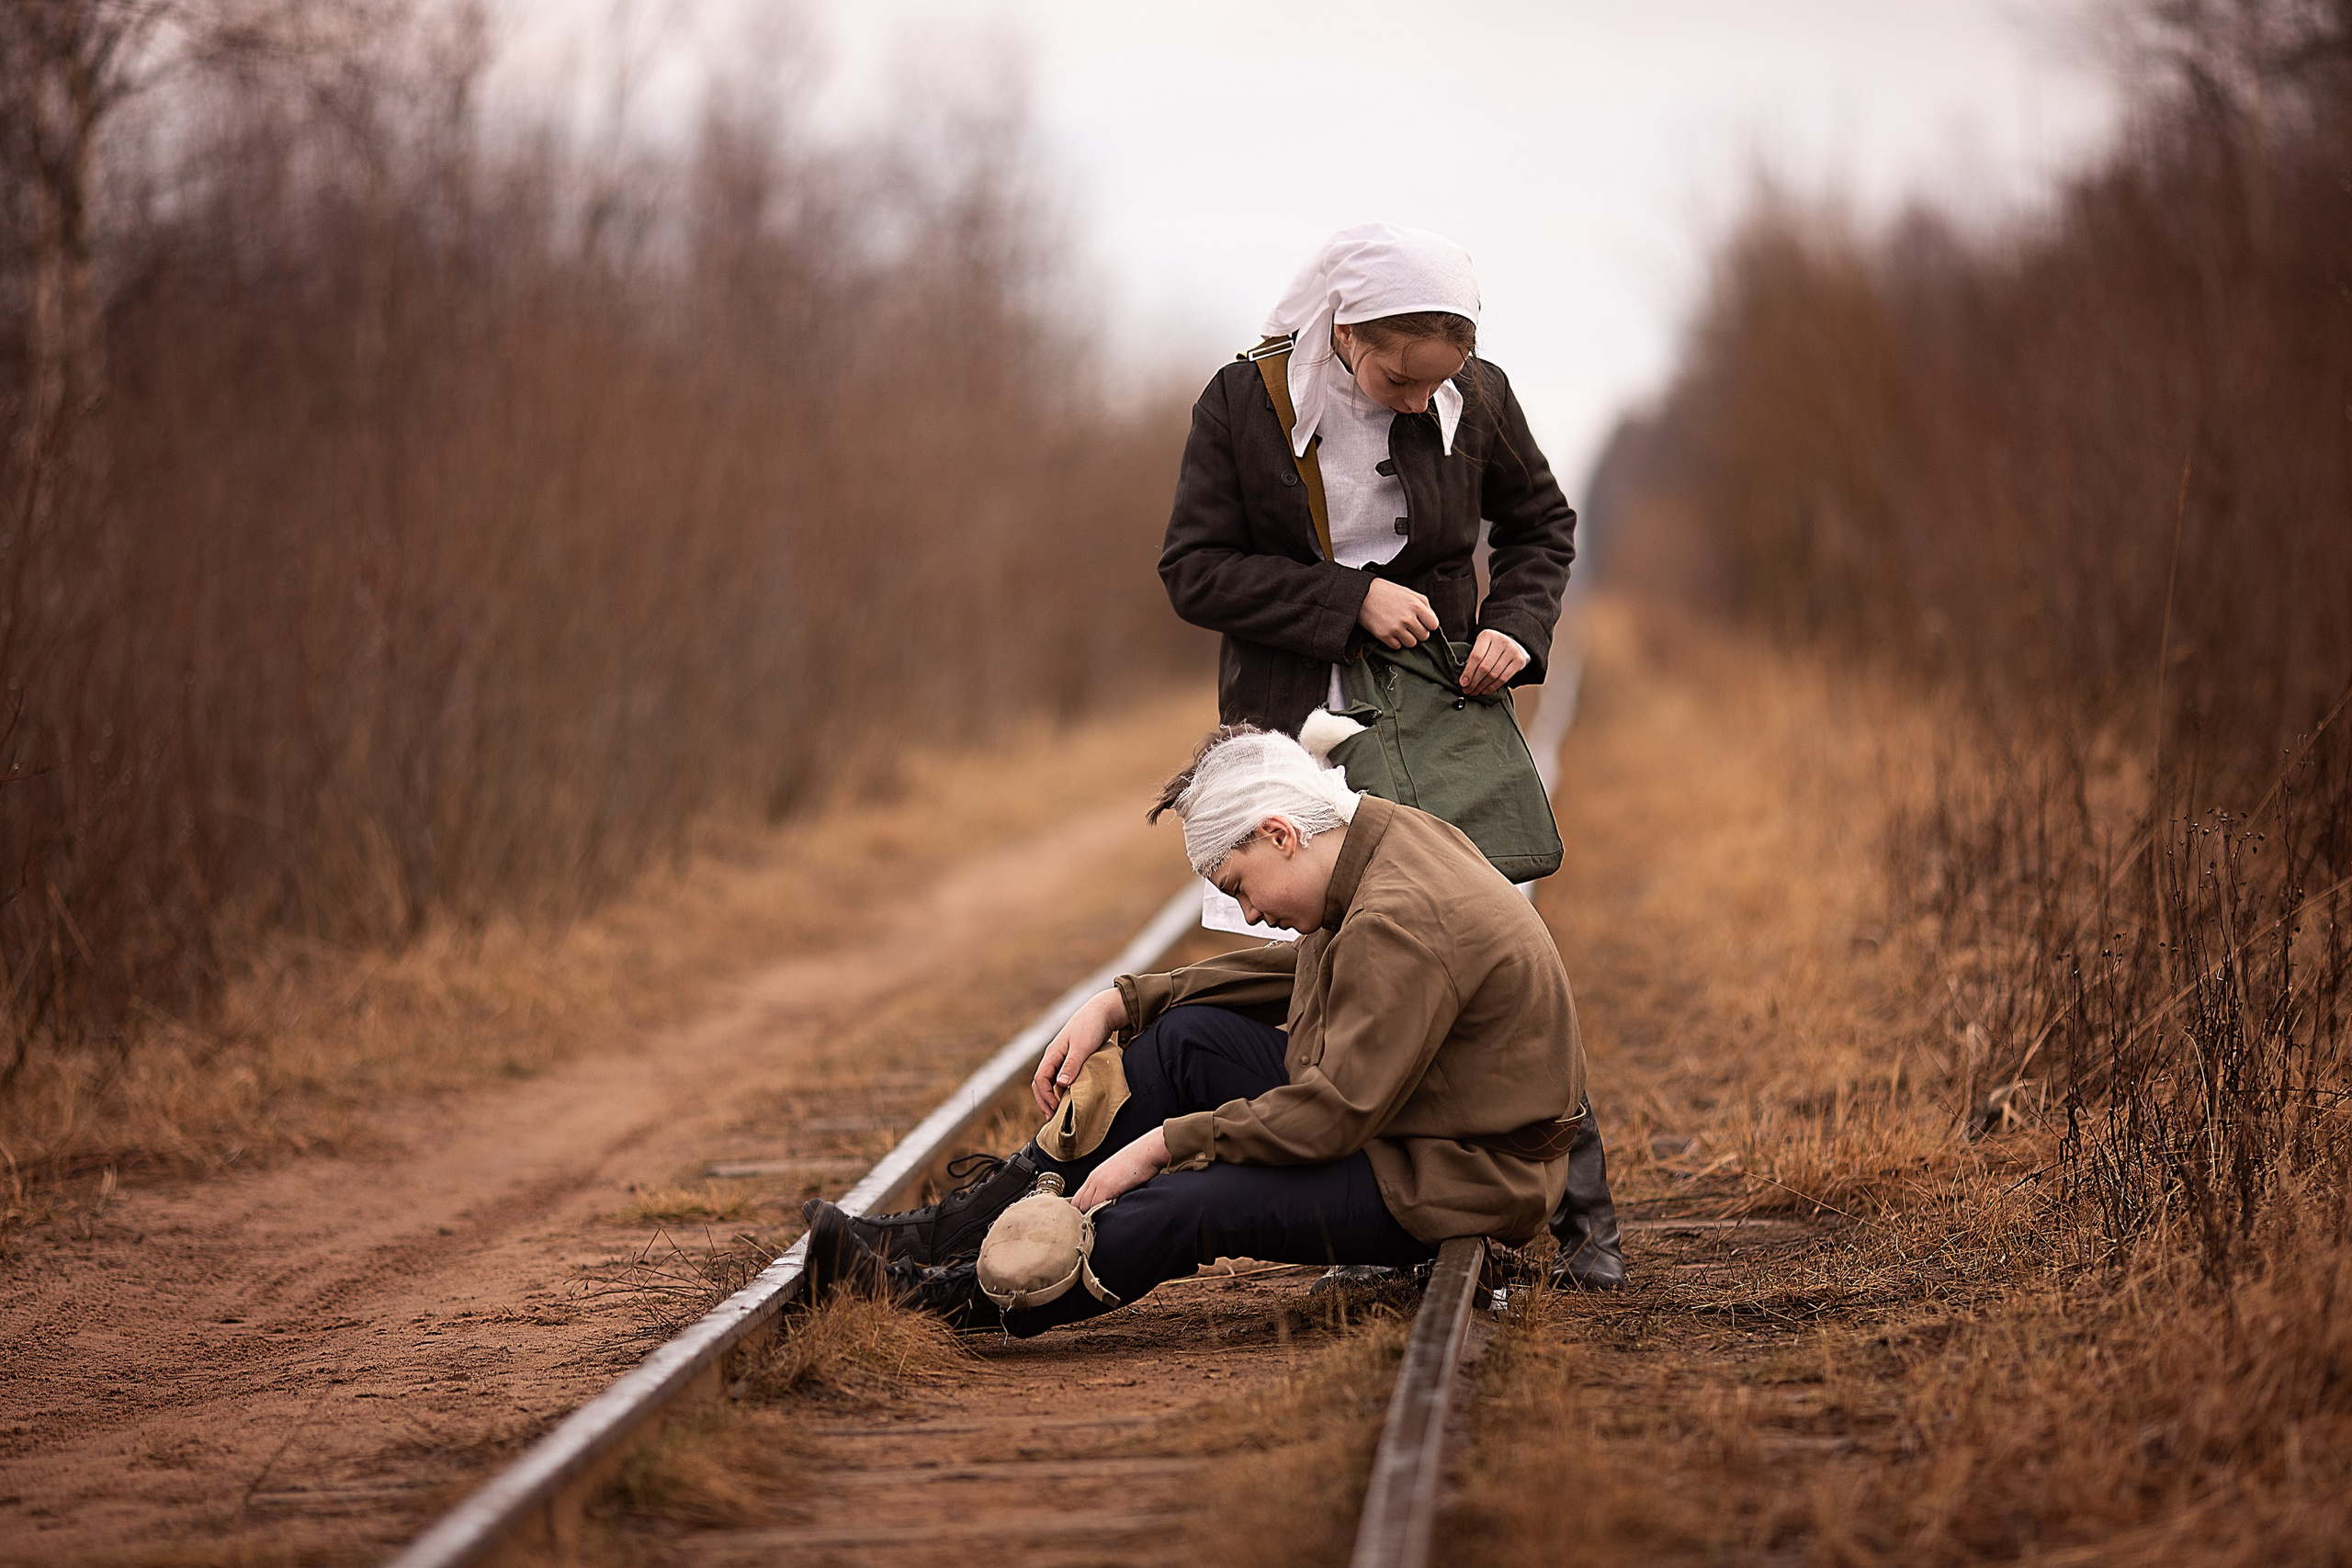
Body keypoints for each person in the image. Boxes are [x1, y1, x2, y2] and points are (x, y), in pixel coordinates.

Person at [1157, 222, 1622, 1289]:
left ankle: (1584, 1218)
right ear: (1344, 331)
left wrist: (1515, 627)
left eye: (1435, 385)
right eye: (1396, 381)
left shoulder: (1478, 395)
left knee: (1485, 938)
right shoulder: (1243, 403)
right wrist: (1348, 598)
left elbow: (1541, 526)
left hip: (1439, 712)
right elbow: (1194, 569)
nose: (1418, 404)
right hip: (1296, 718)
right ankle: (1379, 1223)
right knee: (1329, 965)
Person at [801, 725, 1594, 1335]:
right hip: (1410, 1118)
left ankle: (932, 1299)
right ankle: (936, 1237)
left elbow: (1331, 1114)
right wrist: (1126, 1002)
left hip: (1457, 1172)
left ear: (1281, 833)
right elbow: (1318, 969)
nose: (1249, 912)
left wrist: (1164, 1144)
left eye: (1240, 886)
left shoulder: (1399, 918)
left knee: (1189, 1201)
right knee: (1183, 1044)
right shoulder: (1378, 841)